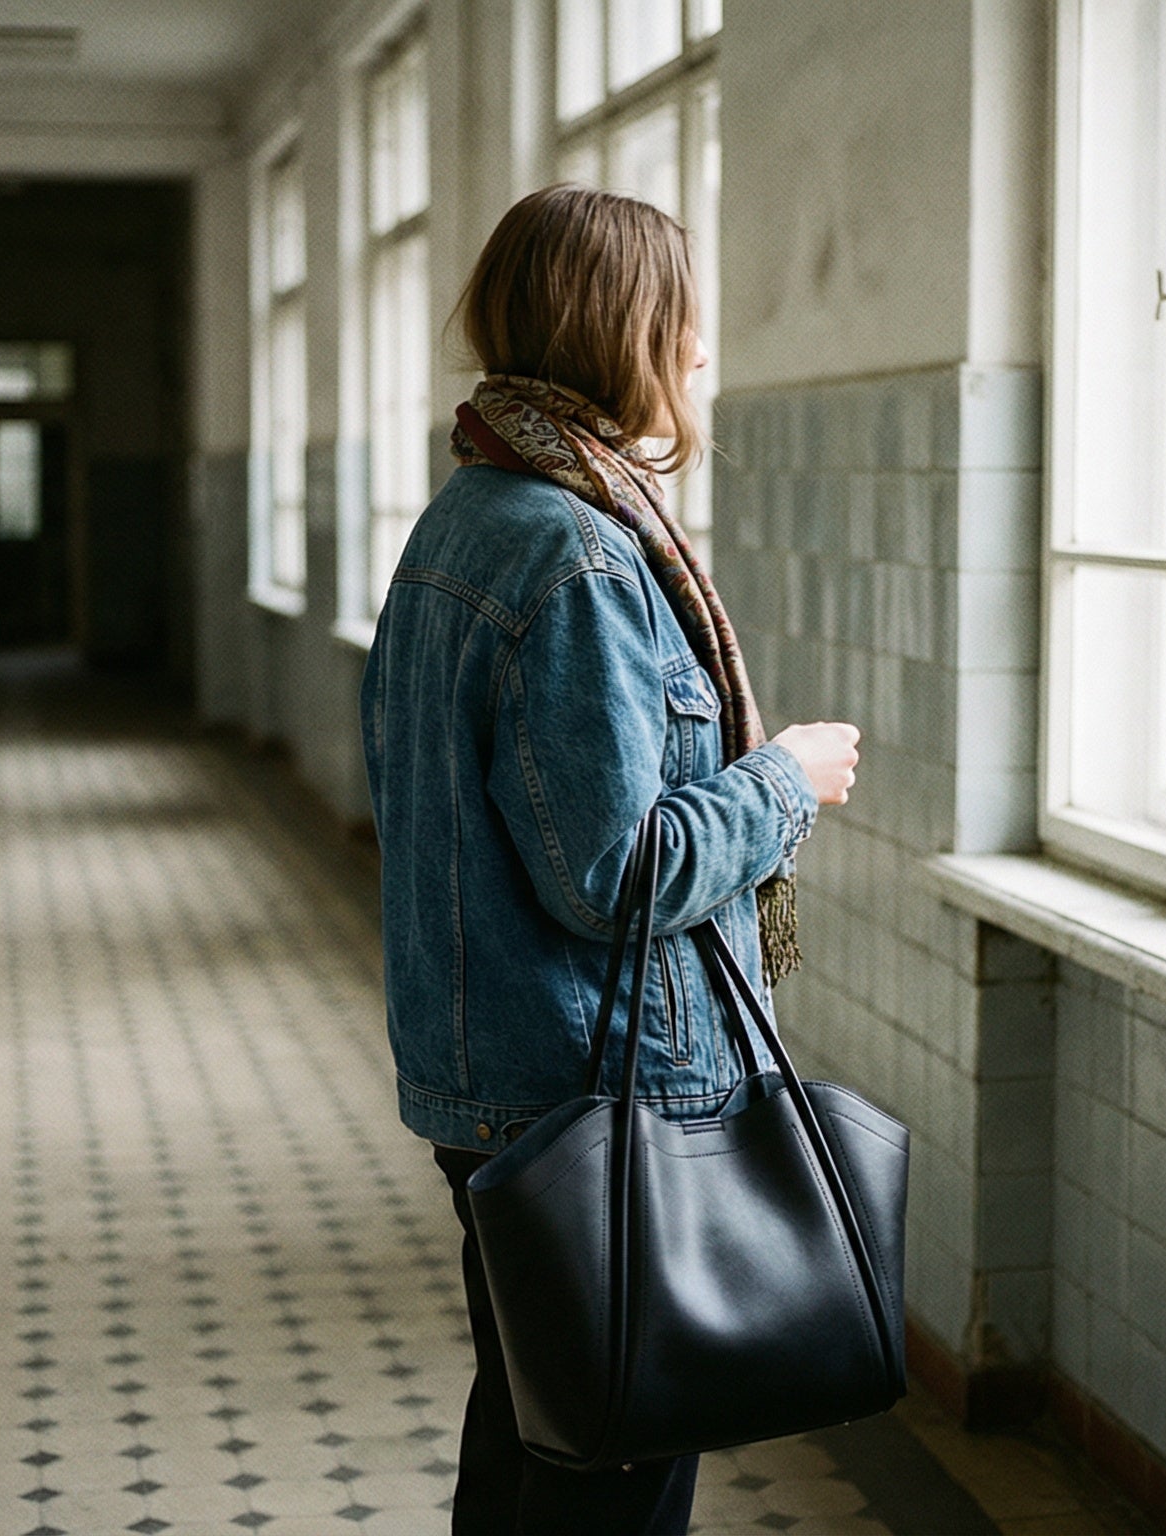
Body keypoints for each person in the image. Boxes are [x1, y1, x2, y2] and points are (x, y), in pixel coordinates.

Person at [359, 183, 861, 1536]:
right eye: (681, 318)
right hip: (594, 1086)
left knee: (536, 1436)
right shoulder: (577, 550)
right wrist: (786, 780)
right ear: (622, 330)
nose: (700, 349)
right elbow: (616, 876)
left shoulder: (465, 517)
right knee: (613, 1475)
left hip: (499, 1079)